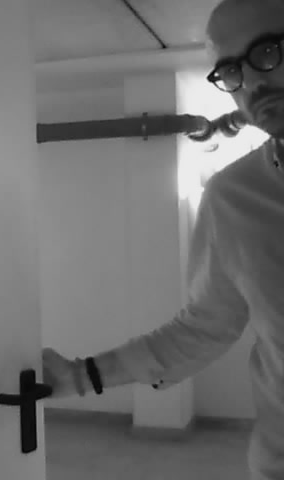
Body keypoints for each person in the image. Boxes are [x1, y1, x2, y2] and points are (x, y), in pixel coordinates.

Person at [42, 0, 284, 478]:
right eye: (230, 70)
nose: (251, 83)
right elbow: (207, 325)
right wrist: (81, 377)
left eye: (268, 52)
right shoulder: (233, 196)